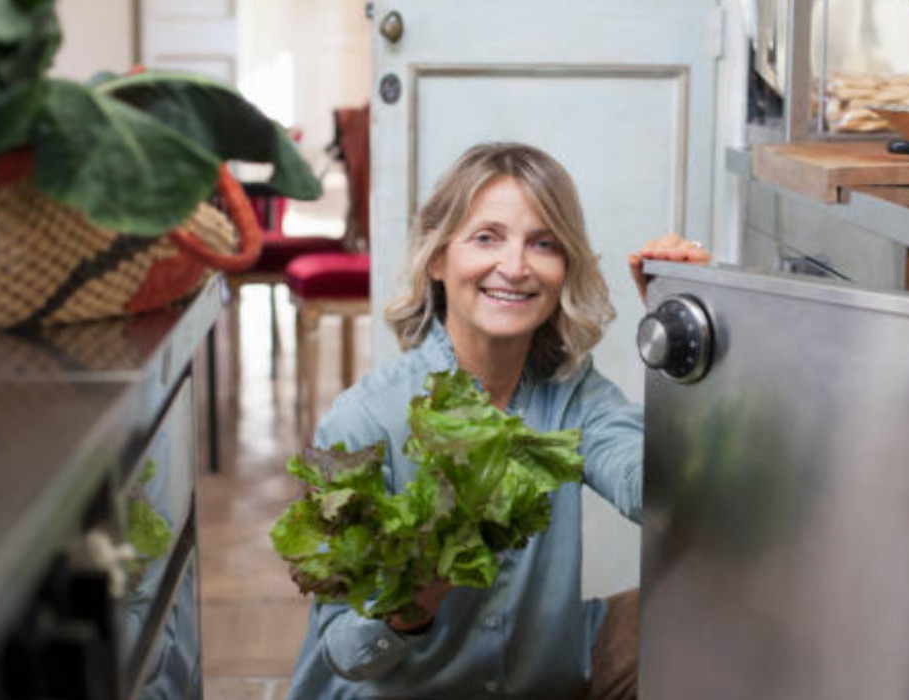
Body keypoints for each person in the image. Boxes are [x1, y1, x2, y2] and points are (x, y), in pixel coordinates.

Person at [286, 142, 710, 700]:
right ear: (437, 259)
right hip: (398, 692)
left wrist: (685, 337)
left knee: (711, 608)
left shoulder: (572, 395)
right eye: (486, 238)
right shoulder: (364, 421)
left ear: (565, 268)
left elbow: (659, 496)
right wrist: (417, 599)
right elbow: (344, 651)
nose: (514, 267)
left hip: (544, 670)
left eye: (543, 243)